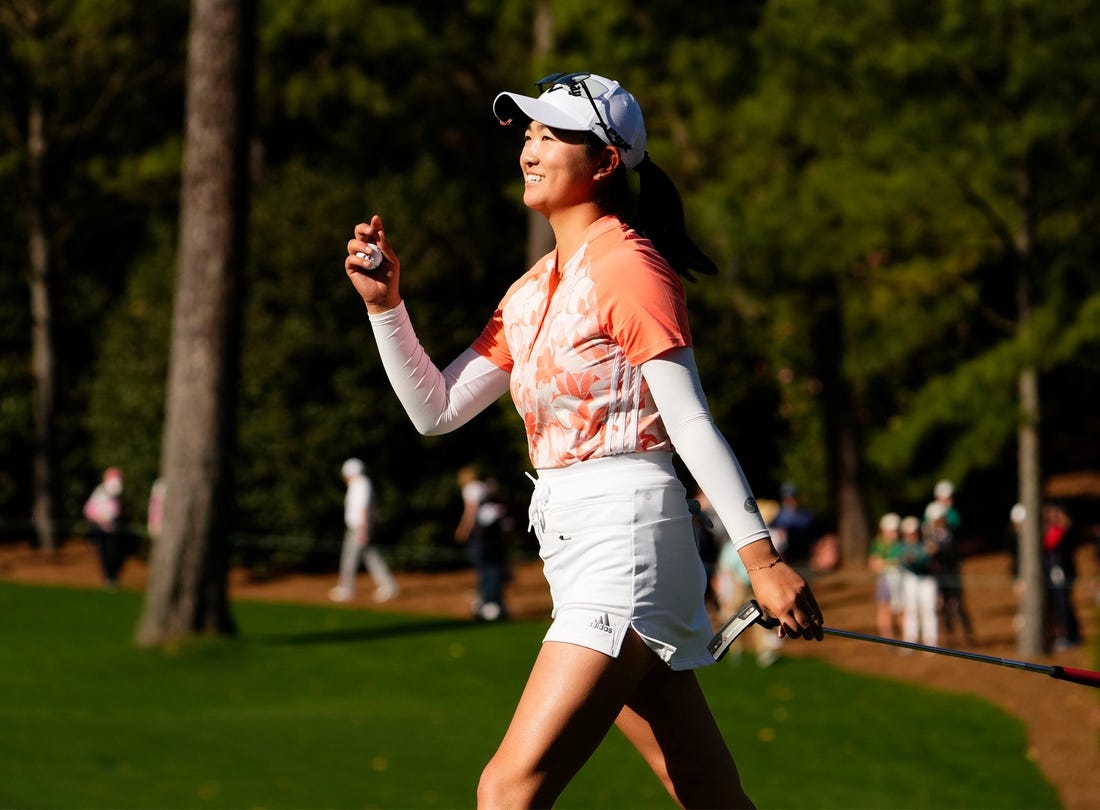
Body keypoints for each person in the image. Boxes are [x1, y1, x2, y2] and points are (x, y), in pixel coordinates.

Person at [343, 70, 823, 808]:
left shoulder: (628, 265)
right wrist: (386, 308)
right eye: (529, 134)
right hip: (584, 546)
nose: (531, 149)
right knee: (699, 786)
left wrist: (761, 560)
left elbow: (690, 420)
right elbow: (435, 410)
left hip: (625, 540)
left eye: (553, 135)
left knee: (506, 791)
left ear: (605, 162)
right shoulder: (533, 287)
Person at [329, 458, 399, 604]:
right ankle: (389, 586)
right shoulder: (359, 483)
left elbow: (364, 508)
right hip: (359, 527)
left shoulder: (361, 484)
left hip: (359, 527)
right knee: (371, 556)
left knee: (350, 559)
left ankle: (346, 589)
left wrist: (364, 529)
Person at [455, 465, 511, 621]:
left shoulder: (470, 488)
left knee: (486, 568)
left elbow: (471, 511)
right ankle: (495, 601)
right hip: (494, 536)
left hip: (482, 536)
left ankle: (489, 602)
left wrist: (463, 529)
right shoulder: (485, 487)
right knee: (493, 567)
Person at [925, 500, 975, 646]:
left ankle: (968, 636)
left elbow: (955, 555)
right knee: (943, 607)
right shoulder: (930, 537)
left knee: (958, 605)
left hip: (952, 575)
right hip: (939, 577)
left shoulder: (950, 536)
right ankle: (950, 637)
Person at [1041, 502, 1082, 650]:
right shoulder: (1055, 529)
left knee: (1064, 605)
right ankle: (1065, 634)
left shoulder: (1065, 530)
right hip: (1054, 572)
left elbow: (1052, 544)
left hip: (1062, 571)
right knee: (1058, 606)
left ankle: (1072, 636)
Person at [83, 466, 128, 589]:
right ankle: (108, 578)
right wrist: (100, 518)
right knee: (104, 555)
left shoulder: (117, 492)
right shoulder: (99, 493)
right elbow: (89, 510)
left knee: (115, 554)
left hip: (114, 530)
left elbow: (117, 509)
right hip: (101, 530)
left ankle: (113, 578)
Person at [897, 514, 938, 648]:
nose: (911, 536)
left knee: (928, 609)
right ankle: (910, 642)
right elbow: (910, 559)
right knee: (911, 610)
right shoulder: (902, 547)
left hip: (927, 579)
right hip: (911, 579)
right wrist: (925, 552)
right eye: (909, 534)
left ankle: (931, 643)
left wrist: (927, 551)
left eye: (914, 533)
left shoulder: (923, 544)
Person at [868, 512, 903, 639]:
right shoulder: (878, 544)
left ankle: (906, 639)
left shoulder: (900, 544)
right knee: (884, 609)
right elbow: (873, 564)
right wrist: (890, 563)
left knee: (902, 610)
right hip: (885, 580)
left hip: (900, 579)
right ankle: (887, 638)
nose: (894, 533)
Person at [770, 481, 816, 564]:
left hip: (804, 557)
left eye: (793, 497)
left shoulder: (806, 514)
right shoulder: (777, 514)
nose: (791, 501)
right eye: (787, 499)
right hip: (786, 557)